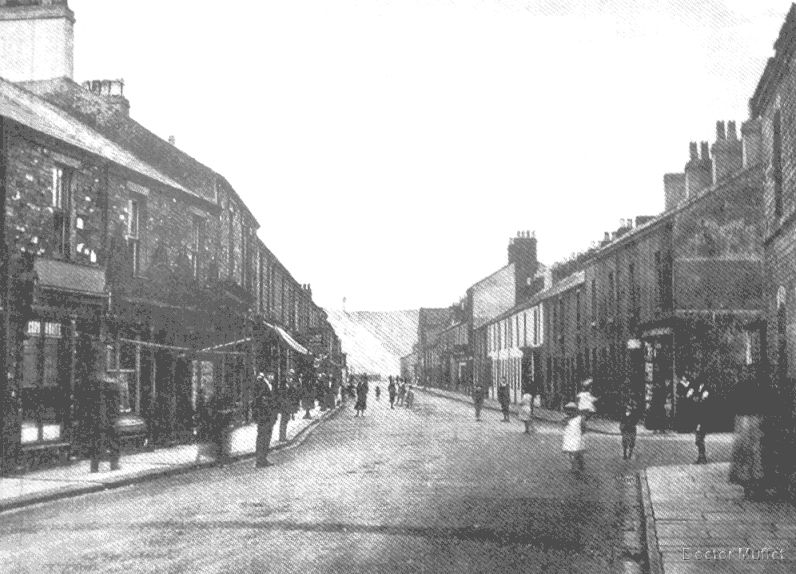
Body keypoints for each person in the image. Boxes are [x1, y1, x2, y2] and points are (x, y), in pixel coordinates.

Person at [729, 370, 772, 500]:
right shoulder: (758, 386)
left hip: (744, 420)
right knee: (754, 452)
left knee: (746, 452)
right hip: (752, 420)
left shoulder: (740, 387)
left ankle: (749, 486)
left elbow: (732, 403)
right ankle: (755, 485)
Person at [89, 373, 122, 473]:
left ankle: (94, 467)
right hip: (110, 419)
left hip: (98, 419)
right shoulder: (115, 389)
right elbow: (116, 406)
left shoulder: (95, 387)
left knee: (97, 442)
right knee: (114, 441)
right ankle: (114, 464)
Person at [254, 372, 278, 468]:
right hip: (263, 416)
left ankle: (263, 458)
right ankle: (260, 460)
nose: (272, 377)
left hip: (269, 416)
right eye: (271, 375)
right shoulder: (261, 384)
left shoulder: (270, 385)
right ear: (267, 375)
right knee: (262, 437)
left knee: (267, 437)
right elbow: (258, 400)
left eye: (273, 375)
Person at [687, 380, 710, 464]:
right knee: (698, 439)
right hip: (698, 417)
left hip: (703, 418)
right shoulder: (697, 389)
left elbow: (703, 399)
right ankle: (701, 457)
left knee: (699, 438)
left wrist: (696, 398)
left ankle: (702, 457)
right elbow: (691, 397)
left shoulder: (706, 389)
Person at [562, 402, 585, 474]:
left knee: (576, 452)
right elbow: (564, 425)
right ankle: (573, 466)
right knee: (570, 452)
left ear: (575, 411)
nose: (569, 412)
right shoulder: (566, 419)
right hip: (569, 437)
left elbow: (584, 428)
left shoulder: (580, 418)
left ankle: (578, 466)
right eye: (567, 411)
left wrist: (581, 434)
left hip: (577, 437)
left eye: (571, 410)